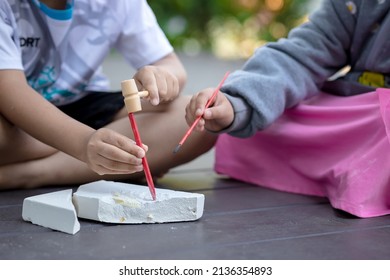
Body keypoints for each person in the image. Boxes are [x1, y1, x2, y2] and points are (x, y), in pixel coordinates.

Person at [185, 0, 390, 218]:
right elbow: (301, 54)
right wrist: (238, 102)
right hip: (354, 114)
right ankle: (354, 174)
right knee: (269, 115)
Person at [0, 0, 217, 189]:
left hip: (86, 106)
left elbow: (171, 65)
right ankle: (97, 163)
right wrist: (83, 142)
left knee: (197, 121)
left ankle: (23, 174)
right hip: (15, 118)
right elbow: (10, 90)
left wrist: (162, 75)